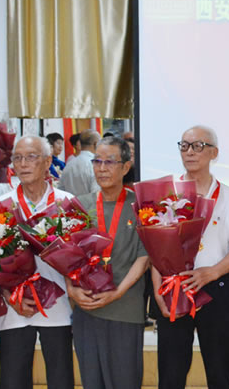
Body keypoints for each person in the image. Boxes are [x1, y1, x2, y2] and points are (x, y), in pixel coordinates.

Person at [149, 125, 229, 389]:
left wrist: (210, 273)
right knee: (171, 373)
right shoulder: (166, 194)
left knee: (220, 372)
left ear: (214, 153)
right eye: (184, 146)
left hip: (216, 287)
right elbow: (155, 247)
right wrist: (157, 289)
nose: (190, 152)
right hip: (173, 287)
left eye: (198, 146)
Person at [67, 136, 150, 389]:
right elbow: (67, 257)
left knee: (124, 381)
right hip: (87, 309)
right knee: (91, 381)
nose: (102, 168)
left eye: (110, 162)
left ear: (125, 167)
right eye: (97, 161)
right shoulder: (80, 205)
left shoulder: (141, 206)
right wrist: (71, 290)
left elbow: (144, 257)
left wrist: (117, 292)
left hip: (125, 308)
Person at [0, 136, 75, 389]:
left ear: (48, 161)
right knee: (13, 380)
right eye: (17, 158)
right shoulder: (2, 205)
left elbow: (79, 258)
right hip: (15, 306)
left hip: (58, 304)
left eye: (31, 157)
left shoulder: (66, 202)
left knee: (61, 379)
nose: (23, 164)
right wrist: (9, 295)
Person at [59, 129, 101, 198]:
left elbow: (60, 191)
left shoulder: (69, 164)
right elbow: (96, 195)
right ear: (96, 144)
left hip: (71, 204)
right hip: (89, 204)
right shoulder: (96, 165)